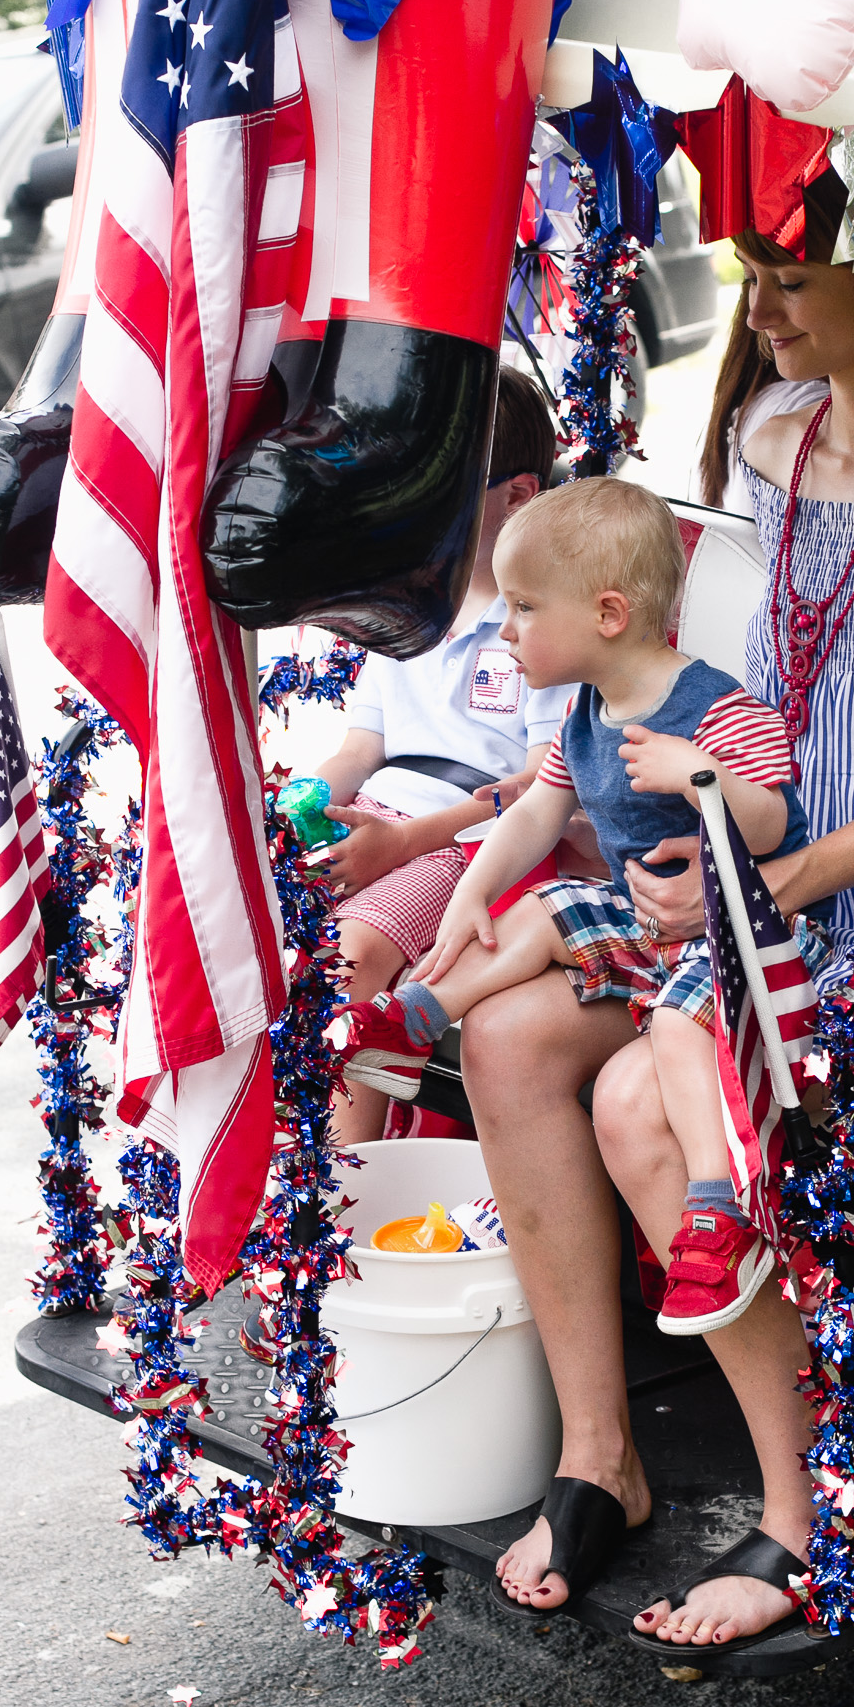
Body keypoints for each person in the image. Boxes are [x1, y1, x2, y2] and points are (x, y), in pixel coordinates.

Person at [455, 166, 854, 1658]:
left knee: (637, 1094)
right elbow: (752, 684)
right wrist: (694, 830)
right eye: (754, 277)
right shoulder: (771, 437)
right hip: (756, 849)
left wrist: (772, 880)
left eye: (787, 280)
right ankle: (599, 1456)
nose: (759, 310)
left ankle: (799, 1506)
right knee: (501, 1034)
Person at [331, 477, 825, 1334]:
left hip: (738, 937)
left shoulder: (717, 708)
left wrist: (700, 778)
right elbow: (532, 815)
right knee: (543, 908)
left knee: (679, 1027)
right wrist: (475, 889)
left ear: (606, 613)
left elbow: (777, 815)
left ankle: (714, 1207)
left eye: (524, 607)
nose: (508, 629)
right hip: (645, 922)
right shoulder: (588, 717)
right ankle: (413, 1021)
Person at [314, 368, 576, 1142]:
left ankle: (335, 1198)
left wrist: (401, 841)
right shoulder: (407, 602)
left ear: (518, 496)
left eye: (444, 484)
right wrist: (298, 804)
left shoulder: (541, 620)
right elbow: (360, 747)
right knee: (260, 919)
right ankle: (272, 1164)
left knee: (348, 955)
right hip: (379, 814)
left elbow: (539, 782)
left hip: (464, 842)